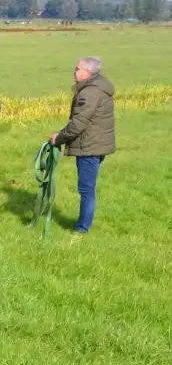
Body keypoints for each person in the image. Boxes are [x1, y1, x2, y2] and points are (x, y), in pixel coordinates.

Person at [49, 56, 115, 234]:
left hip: (89, 146)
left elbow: (78, 123)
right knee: (88, 187)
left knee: (86, 189)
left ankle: (82, 229)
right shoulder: (99, 87)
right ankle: (83, 226)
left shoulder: (89, 93)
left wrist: (59, 137)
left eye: (77, 68)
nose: (74, 71)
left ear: (87, 72)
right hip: (98, 144)